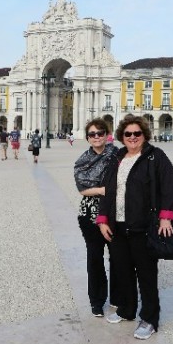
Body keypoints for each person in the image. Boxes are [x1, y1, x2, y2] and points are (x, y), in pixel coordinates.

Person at [96, 115, 173, 340]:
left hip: (144, 226)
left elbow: (170, 187)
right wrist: (103, 219)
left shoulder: (155, 157)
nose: (132, 137)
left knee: (147, 275)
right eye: (128, 134)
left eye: (137, 133)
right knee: (122, 272)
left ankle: (150, 319)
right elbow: (108, 190)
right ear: (122, 137)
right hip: (119, 226)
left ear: (144, 135)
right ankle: (127, 309)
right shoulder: (117, 157)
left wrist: (165, 218)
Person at [74, 118, 120, 318]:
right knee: (95, 258)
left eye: (100, 133)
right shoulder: (82, 160)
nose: (96, 137)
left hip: (115, 213)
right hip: (89, 215)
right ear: (87, 138)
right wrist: (104, 189)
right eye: (92, 134)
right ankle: (97, 300)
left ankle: (118, 298)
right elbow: (82, 190)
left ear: (106, 134)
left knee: (118, 258)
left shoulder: (118, 155)